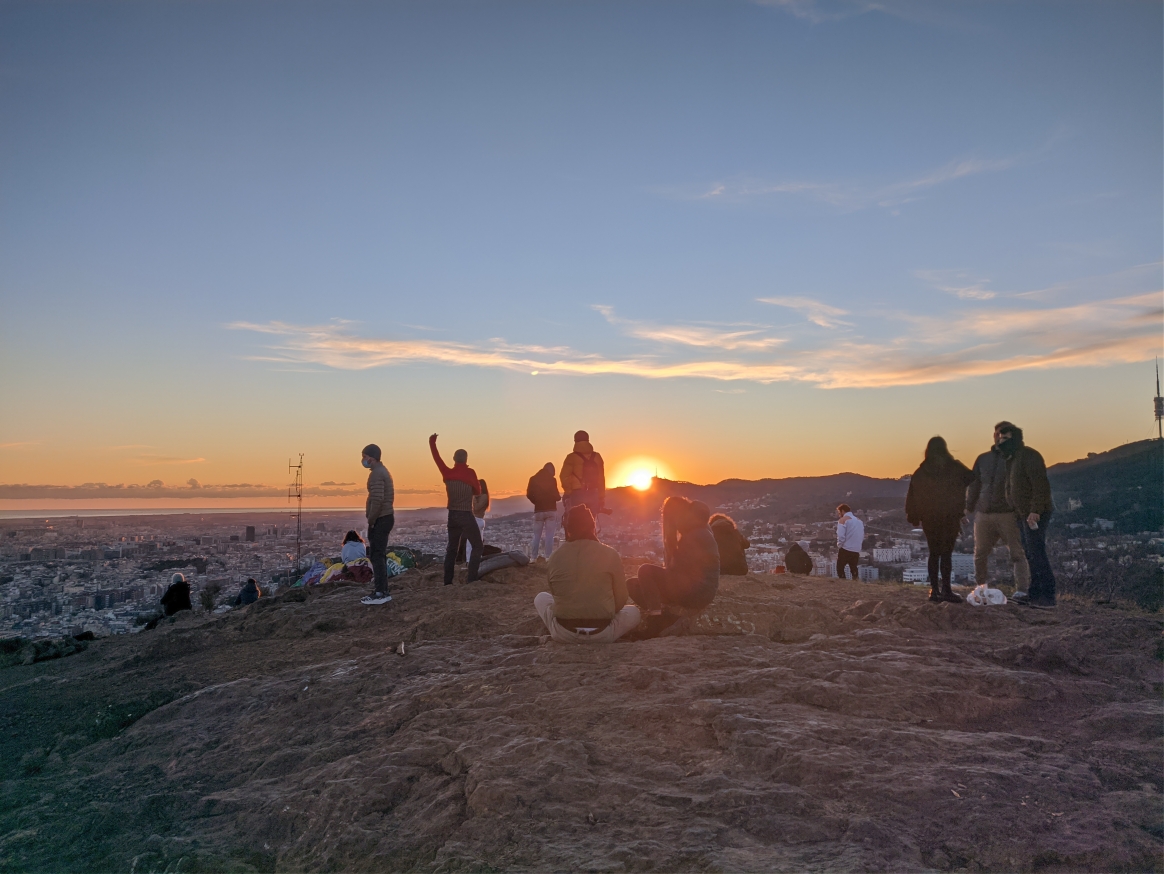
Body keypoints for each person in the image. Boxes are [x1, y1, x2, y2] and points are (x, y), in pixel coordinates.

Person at [534, 505, 641, 643]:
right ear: (593, 527)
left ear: (568, 529)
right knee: (634, 612)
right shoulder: (610, 554)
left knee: (540, 598)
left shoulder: (555, 557)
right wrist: (602, 610)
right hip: (603, 633)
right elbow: (621, 598)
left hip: (563, 633)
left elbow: (555, 594)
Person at [627, 497, 720, 624]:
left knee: (645, 571)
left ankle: (657, 620)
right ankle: (665, 613)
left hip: (696, 593)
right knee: (633, 585)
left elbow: (678, 572)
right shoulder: (701, 530)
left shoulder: (692, 536)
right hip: (701, 591)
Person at [905, 436, 976, 603]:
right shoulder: (954, 467)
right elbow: (971, 478)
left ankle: (934, 591)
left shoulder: (920, 472)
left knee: (934, 553)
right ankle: (947, 590)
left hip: (929, 518)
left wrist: (913, 516)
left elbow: (912, 495)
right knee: (946, 554)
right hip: (950, 516)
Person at [966, 421, 1031, 598]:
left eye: (1003, 435)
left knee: (1017, 553)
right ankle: (981, 588)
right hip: (983, 513)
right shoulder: (982, 459)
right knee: (980, 554)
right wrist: (968, 507)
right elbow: (974, 485)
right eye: (997, 434)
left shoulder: (1017, 458)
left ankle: (1022, 590)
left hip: (1008, 513)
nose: (999, 437)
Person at [999, 424, 1057, 608]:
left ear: (1015, 439)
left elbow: (1041, 486)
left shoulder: (1029, 456)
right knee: (1030, 554)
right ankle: (1034, 593)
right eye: (1000, 438)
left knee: (1037, 552)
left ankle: (1047, 597)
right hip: (1022, 514)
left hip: (1035, 514)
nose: (1001, 442)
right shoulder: (1012, 459)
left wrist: (1035, 511)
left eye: (1005, 438)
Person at [430, 433, 483, 585]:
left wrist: (432, 442)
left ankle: (448, 582)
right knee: (477, 546)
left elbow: (437, 458)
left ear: (454, 459)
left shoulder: (447, 473)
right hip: (465, 514)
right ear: (466, 460)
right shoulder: (470, 473)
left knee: (451, 549)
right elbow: (478, 491)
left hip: (452, 515)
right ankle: (472, 579)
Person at [360, 443, 395, 606]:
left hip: (381, 518)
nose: (363, 460)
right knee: (378, 554)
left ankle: (381, 592)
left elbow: (377, 500)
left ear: (371, 458)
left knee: (376, 555)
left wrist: (371, 519)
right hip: (385, 517)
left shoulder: (376, 474)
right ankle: (382, 590)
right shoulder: (382, 471)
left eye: (365, 457)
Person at [560, 430, 606, 521]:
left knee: (577, 521)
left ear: (575, 441)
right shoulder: (597, 457)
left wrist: (569, 492)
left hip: (577, 494)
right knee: (591, 522)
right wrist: (601, 496)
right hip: (594, 493)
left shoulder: (571, 457)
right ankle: (591, 535)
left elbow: (564, 477)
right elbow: (601, 479)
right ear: (588, 440)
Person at [526, 462, 561, 560]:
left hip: (538, 510)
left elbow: (528, 494)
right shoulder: (552, 480)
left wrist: (536, 502)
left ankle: (533, 557)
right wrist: (558, 498)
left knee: (536, 535)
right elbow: (556, 495)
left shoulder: (533, 479)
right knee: (550, 535)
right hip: (551, 510)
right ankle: (548, 557)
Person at [462, 478, 490, 566]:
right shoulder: (483, 496)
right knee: (478, 543)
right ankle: (476, 561)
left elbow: (476, 508)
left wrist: (473, 497)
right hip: (479, 520)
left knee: (470, 543)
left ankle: (469, 562)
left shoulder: (483, 496)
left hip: (477, 520)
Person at [835, 504, 864, 579]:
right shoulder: (859, 520)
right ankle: (855, 582)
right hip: (856, 549)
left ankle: (844, 583)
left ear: (842, 511)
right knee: (854, 568)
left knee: (840, 568)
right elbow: (862, 535)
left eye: (839, 513)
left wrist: (839, 545)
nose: (839, 515)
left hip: (846, 549)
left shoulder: (843, 520)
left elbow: (841, 536)